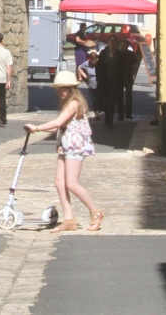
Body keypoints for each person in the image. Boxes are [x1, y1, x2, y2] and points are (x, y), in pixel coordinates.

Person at [25, 70, 103, 232]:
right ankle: (69, 220)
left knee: (72, 184)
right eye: (59, 89)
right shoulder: (67, 103)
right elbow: (60, 126)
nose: (61, 92)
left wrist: (37, 128)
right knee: (60, 183)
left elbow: (59, 121)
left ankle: (95, 212)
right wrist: (40, 131)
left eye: (64, 89)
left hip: (75, 146)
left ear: (72, 89)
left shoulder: (74, 102)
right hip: (66, 145)